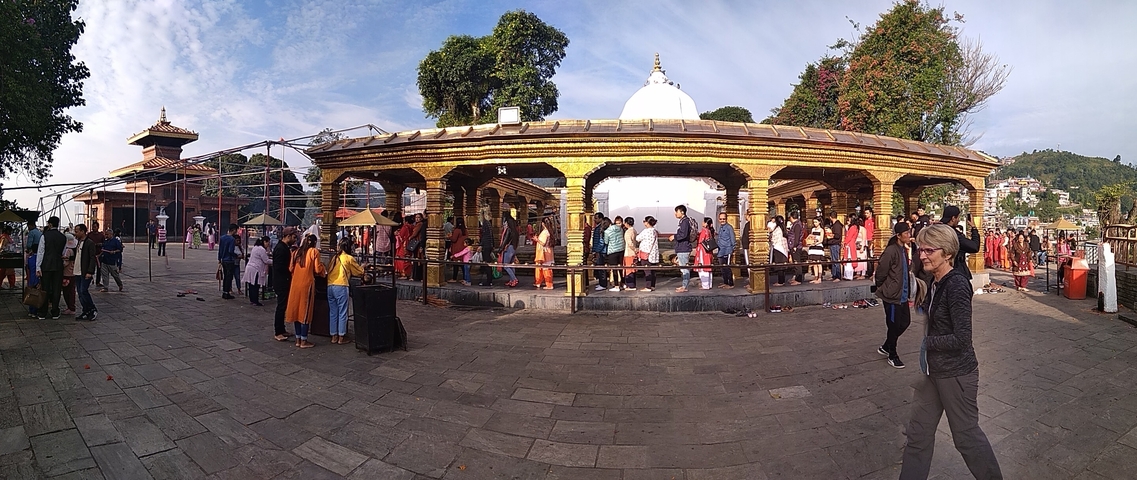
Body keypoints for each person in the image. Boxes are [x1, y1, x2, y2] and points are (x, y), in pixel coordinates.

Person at [900, 224, 1002, 479]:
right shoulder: (935, 282)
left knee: (966, 437)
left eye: (929, 250)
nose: (922, 255)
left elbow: (962, 338)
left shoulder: (956, 285)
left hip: (956, 374)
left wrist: (929, 342)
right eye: (920, 249)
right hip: (932, 373)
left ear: (947, 253)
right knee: (918, 435)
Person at [875, 222, 916, 369]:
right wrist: (883, 286)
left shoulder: (903, 249)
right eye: (906, 233)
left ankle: (886, 346)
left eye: (909, 232)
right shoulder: (891, 251)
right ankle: (892, 354)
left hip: (902, 294)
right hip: (892, 295)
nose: (909, 235)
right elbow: (881, 272)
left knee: (905, 322)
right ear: (898, 235)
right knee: (893, 325)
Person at [287, 234, 325, 348]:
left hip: (295, 284)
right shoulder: (314, 252)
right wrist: (323, 267)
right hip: (306, 285)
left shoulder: (296, 252)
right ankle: (304, 340)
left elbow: (290, 268)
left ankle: (298, 339)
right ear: (314, 242)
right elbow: (317, 269)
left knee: (296, 311)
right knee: (305, 312)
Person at [327, 238, 364, 345]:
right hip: (341, 286)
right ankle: (341, 337)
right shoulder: (348, 258)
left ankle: (333, 336)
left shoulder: (334, 257)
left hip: (330, 286)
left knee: (333, 312)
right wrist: (363, 267)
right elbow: (359, 272)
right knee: (342, 312)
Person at [34, 216, 67, 319]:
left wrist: (38, 267)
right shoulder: (63, 237)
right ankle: (55, 311)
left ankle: (42, 312)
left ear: (50, 224)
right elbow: (63, 252)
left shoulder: (44, 236)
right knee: (57, 289)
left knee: (45, 289)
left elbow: (41, 252)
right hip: (58, 265)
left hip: (46, 265)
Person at [938, 206, 981, 280]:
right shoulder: (953, 234)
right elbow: (974, 247)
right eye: (958, 218)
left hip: (940, 269)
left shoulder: (937, 230)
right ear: (953, 218)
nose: (958, 220)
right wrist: (974, 228)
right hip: (955, 269)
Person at [271, 227, 297, 341]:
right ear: (288, 236)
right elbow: (279, 267)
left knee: (283, 305)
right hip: (281, 281)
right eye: (294, 237)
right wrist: (290, 271)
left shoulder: (284, 247)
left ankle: (282, 329)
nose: (295, 240)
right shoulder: (281, 249)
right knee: (281, 306)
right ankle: (278, 332)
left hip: (283, 280)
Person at [74, 224, 98, 321]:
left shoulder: (89, 243)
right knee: (80, 292)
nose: (75, 233)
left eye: (77, 231)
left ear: (83, 231)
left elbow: (92, 258)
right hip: (77, 271)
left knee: (84, 291)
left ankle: (92, 309)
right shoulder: (78, 242)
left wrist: (90, 271)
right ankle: (86, 310)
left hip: (85, 272)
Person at [669, 205, 695, 293]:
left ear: (682, 212)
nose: (675, 214)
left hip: (684, 248)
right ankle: (684, 285)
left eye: (677, 211)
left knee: (684, 268)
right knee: (683, 268)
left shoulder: (685, 222)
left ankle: (685, 286)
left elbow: (683, 235)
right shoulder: (683, 222)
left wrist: (674, 236)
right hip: (682, 247)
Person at [244, 236, 272, 306]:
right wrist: (275, 261)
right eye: (268, 243)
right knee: (255, 285)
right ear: (264, 242)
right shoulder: (261, 249)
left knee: (251, 285)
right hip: (256, 269)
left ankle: (252, 300)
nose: (268, 245)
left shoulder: (255, 247)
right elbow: (266, 260)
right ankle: (255, 301)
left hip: (250, 268)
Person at [218, 224, 241, 300]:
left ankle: (224, 291)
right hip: (229, 260)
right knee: (229, 277)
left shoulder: (222, 238)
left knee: (226, 277)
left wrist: (219, 259)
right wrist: (236, 255)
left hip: (223, 260)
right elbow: (231, 250)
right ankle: (226, 292)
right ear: (233, 230)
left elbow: (220, 249)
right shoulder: (232, 239)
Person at [636, 216, 660, 292]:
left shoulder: (646, 231)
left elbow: (637, 238)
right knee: (653, 271)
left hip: (646, 253)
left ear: (647, 222)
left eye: (644, 221)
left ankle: (648, 287)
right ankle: (652, 286)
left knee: (647, 271)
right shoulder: (655, 231)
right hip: (653, 253)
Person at [603, 214, 625, 291]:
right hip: (621, 250)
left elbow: (606, 242)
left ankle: (616, 286)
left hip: (612, 251)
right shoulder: (620, 229)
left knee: (614, 268)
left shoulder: (607, 232)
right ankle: (623, 283)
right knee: (621, 267)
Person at [533, 217, 555, 290]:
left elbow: (543, 243)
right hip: (548, 251)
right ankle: (539, 282)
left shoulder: (545, 232)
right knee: (542, 268)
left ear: (543, 224)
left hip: (544, 252)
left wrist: (536, 239)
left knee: (546, 268)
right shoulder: (549, 231)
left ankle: (549, 285)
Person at [498, 212, 519, 287]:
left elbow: (505, 240)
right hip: (513, 248)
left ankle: (514, 279)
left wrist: (500, 249)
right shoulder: (515, 231)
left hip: (508, 248)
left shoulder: (508, 230)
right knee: (511, 264)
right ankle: (511, 280)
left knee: (506, 265)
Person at [716, 212, 736, 289]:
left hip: (727, 250)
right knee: (722, 268)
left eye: (724, 219)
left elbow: (733, 239)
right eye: (721, 219)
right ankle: (725, 282)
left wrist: (732, 249)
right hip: (720, 250)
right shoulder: (720, 228)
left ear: (726, 219)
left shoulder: (729, 228)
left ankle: (731, 284)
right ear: (719, 219)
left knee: (727, 267)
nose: (722, 220)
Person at [694, 217, 715, 289]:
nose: (702, 223)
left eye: (703, 222)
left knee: (703, 267)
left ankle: (705, 285)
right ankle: (709, 284)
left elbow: (701, 241)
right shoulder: (709, 231)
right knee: (708, 268)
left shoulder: (704, 231)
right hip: (708, 251)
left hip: (702, 251)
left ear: (706, 223)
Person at [768, 215, 789, 286]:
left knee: (779, 266)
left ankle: (780, 281)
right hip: (784, 249)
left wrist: (770, 237)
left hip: (778, 248)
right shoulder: (784, 228)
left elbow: (773, 238)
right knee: (782, 265)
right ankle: (782, 280)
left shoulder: (777, 229)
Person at [785, 211, 804, 285]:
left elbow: (797, 237)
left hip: (796, 246)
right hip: (793, 245)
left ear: (792, 217)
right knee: (795, 263)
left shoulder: (797, 225)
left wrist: (795, 246)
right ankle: (796, 277)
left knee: (797, 263)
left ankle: (799, 279)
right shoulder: (795, 224)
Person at [591, 215, 610, 290]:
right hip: (599, 249)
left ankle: (603, 284)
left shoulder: (601, 228)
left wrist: (597, 250)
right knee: (599, 267)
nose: (595, 220)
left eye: (596, 218)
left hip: (601, 250)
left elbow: (601, 241)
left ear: (600, 218)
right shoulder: (598, 227)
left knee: (601, 267)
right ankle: (601, 283)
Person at [61, 231, 77, 315]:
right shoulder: (74, 250)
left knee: (67, 292)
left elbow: (65, 263)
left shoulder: (68, 250)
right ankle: (71, 307)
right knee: (72, 291)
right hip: (73, 272)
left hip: (67, 273)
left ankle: (70, 307)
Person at [478, 213, 496, 286]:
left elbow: (485, 236)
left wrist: (481, 245)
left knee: (487, 263)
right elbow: (491, 235)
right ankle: (489, 280)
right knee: (488, 263)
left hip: (486, 246)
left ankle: (489, 281)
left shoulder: (485, 224)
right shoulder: (488, 224)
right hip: (489, 245)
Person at [824, 211, 843, 282]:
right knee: (833, 260)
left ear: (830, 217)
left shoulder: (837, 225)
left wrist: (831, 235)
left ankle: (838, 276)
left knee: (836, 260)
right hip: (832, 244)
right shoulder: (834, 224)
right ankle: (834, 275)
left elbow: (838, 235)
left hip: (835, 244)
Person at [806, 217, 826, 283]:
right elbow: (811, 237)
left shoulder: (821, 230)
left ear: (819, 222)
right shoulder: (813, 229)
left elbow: (821, 240)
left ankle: (819, 278)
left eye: (816, 222)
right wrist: (810, 242)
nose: (815, 223)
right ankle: (815, 277)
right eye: (814, 222)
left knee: (819, 263)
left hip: (818, 247)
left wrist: (815, 243)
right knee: (814, 263)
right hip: (813, 247)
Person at [621, 217, 638, 290]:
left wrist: (634, 249)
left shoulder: (628, 232)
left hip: (629, 252)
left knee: (629, 269)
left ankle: (631, 285)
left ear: (627, 223)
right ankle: (632, 284)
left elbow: (630, 243)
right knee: (632, 269)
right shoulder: (634, 230)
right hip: (633, 253)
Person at [842, 216, 861, 281]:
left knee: (849, 259)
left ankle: (849, 275)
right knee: (847, 259)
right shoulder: (855, 227)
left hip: (850, 244)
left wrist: (845, 242)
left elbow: (849, 237)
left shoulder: (853, 227)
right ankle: (847, 275)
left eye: (849, 220)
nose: (848, 222)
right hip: (851, 243)